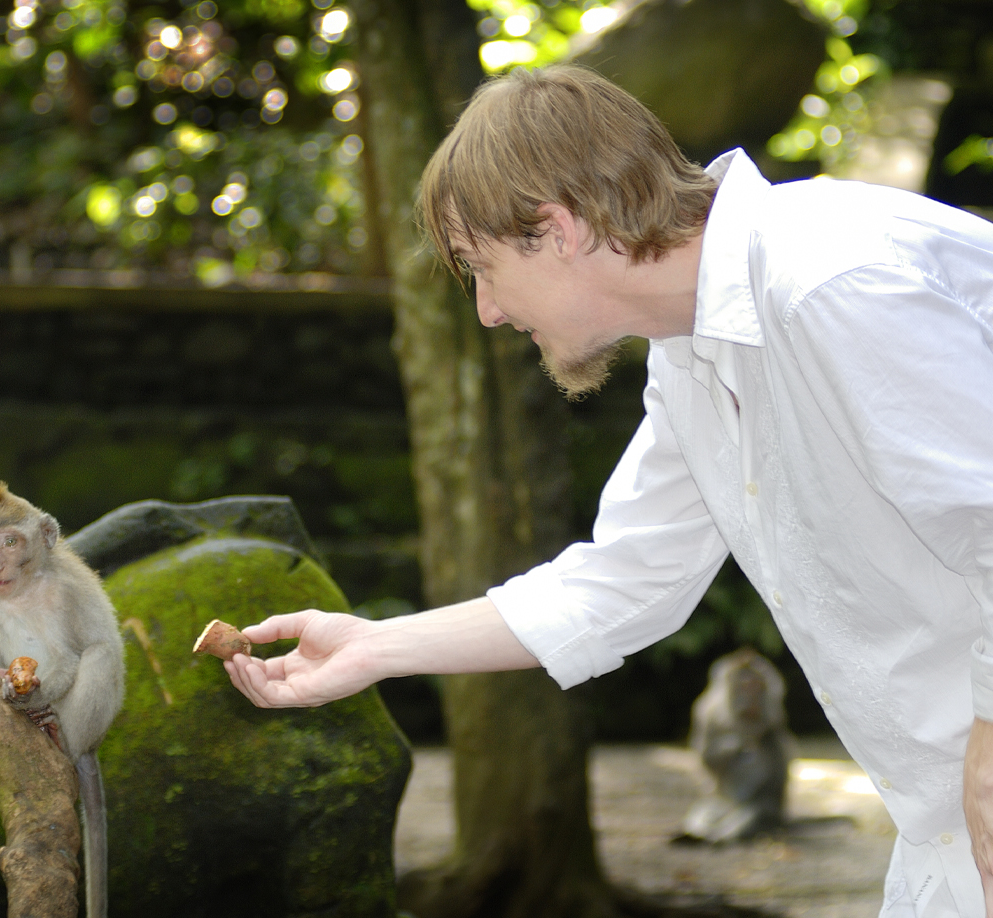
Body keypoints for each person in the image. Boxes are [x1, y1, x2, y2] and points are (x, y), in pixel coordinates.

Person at [222, 64, 993, 918]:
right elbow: (623, 581)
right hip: (946, 839)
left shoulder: (830, 280)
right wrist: (375, 647)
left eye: (481, 268)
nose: (487, 311)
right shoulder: (693, 346)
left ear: (555, 230)